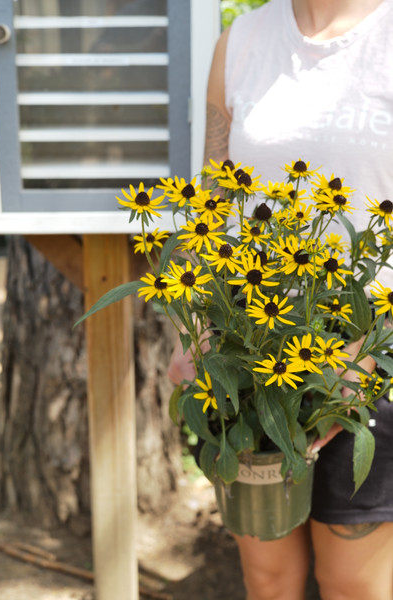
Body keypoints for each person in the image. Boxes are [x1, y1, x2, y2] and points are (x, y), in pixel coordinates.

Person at [169, 1, 393, 598]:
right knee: (268, 578)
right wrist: (196, 333)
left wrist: (367, 354)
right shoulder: (241, 40)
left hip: (369, 351)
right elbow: (210, 198)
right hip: (249, 359)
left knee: (354, 585)